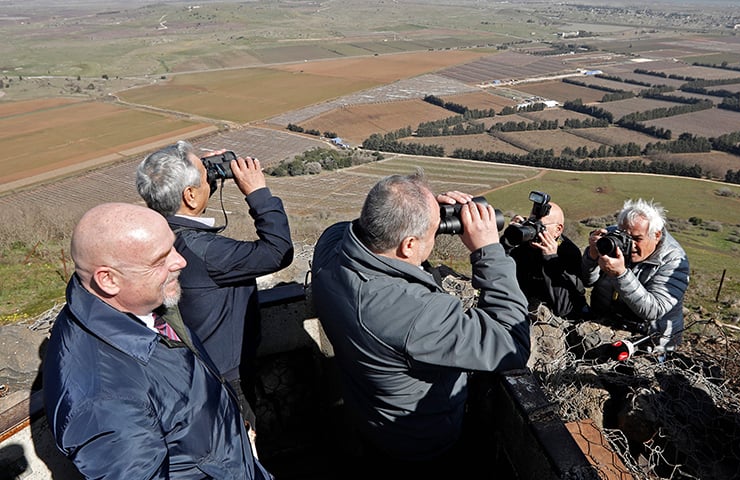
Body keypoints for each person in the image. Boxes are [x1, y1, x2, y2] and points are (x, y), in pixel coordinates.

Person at [311, 172, 530, 475]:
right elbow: (511, 344)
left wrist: (421, 210)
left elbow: (371, 226)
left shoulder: (331, 247)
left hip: (370, 417)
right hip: (420, 444)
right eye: (430, 234)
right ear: (409, 246)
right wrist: (488, 250)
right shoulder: (416, 312)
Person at [43, 203, 273, 479]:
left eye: (173, 248)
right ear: (108, 280)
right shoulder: (105, 400)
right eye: (160, 259)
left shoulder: (138, 305)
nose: (180, 262)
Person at [136, 140, 293, 439]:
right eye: (204, 174)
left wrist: (199, 175)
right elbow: (278, 251)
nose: (209, 175)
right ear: (190, 195)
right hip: (227, 383)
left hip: (189, 375)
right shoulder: (204, 250)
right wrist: (258, 193)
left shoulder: (155, 238)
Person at [582, 198, 689, 353]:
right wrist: (591, 258)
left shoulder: (674, 261)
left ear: (656, 235)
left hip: (651, 340)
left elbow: (653, 310)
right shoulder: (613, 238)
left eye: (638, 239)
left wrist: (621, 275)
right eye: (626, 237)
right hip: (604, 326)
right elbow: (587, 281)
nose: (630, 244)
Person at [503, 201, 586, 319]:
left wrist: (551, 259)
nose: (533, 230)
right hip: (518, 308)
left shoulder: (568, 252)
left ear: (558, 229)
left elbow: (565, 308)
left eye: (540, 226)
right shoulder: (524, 244)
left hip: (554, 319)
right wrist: (509, 241)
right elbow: (497, 273)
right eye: (531, 223)